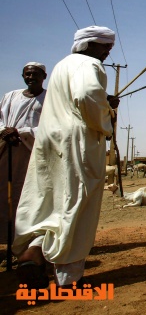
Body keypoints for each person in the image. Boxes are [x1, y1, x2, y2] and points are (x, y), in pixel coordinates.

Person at [12, 26, 120, 289]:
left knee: (50, 201)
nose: (107, 51)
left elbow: (76, 97)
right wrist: (106, 114)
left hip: (49, 140)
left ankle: (34, 251)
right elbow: (84, 97)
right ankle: (69, 279)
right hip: (76, 143)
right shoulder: (90, 65)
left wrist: (102, 101)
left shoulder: (62, 65)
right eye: (104, 46)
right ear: (89, 45)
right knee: (76, 203)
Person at [1, 63, 48, 247]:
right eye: (27, 74)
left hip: (34, 152)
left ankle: (26, 243)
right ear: (23, 76)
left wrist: (23, 132)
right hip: (7, 151)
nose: (31, 77)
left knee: (29, 196)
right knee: (5, 195)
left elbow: (52, 125)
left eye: (35, 74)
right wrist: (5, 131)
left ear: (44, 76)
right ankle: (6, 240)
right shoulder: (10, 97)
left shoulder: (50, 98)